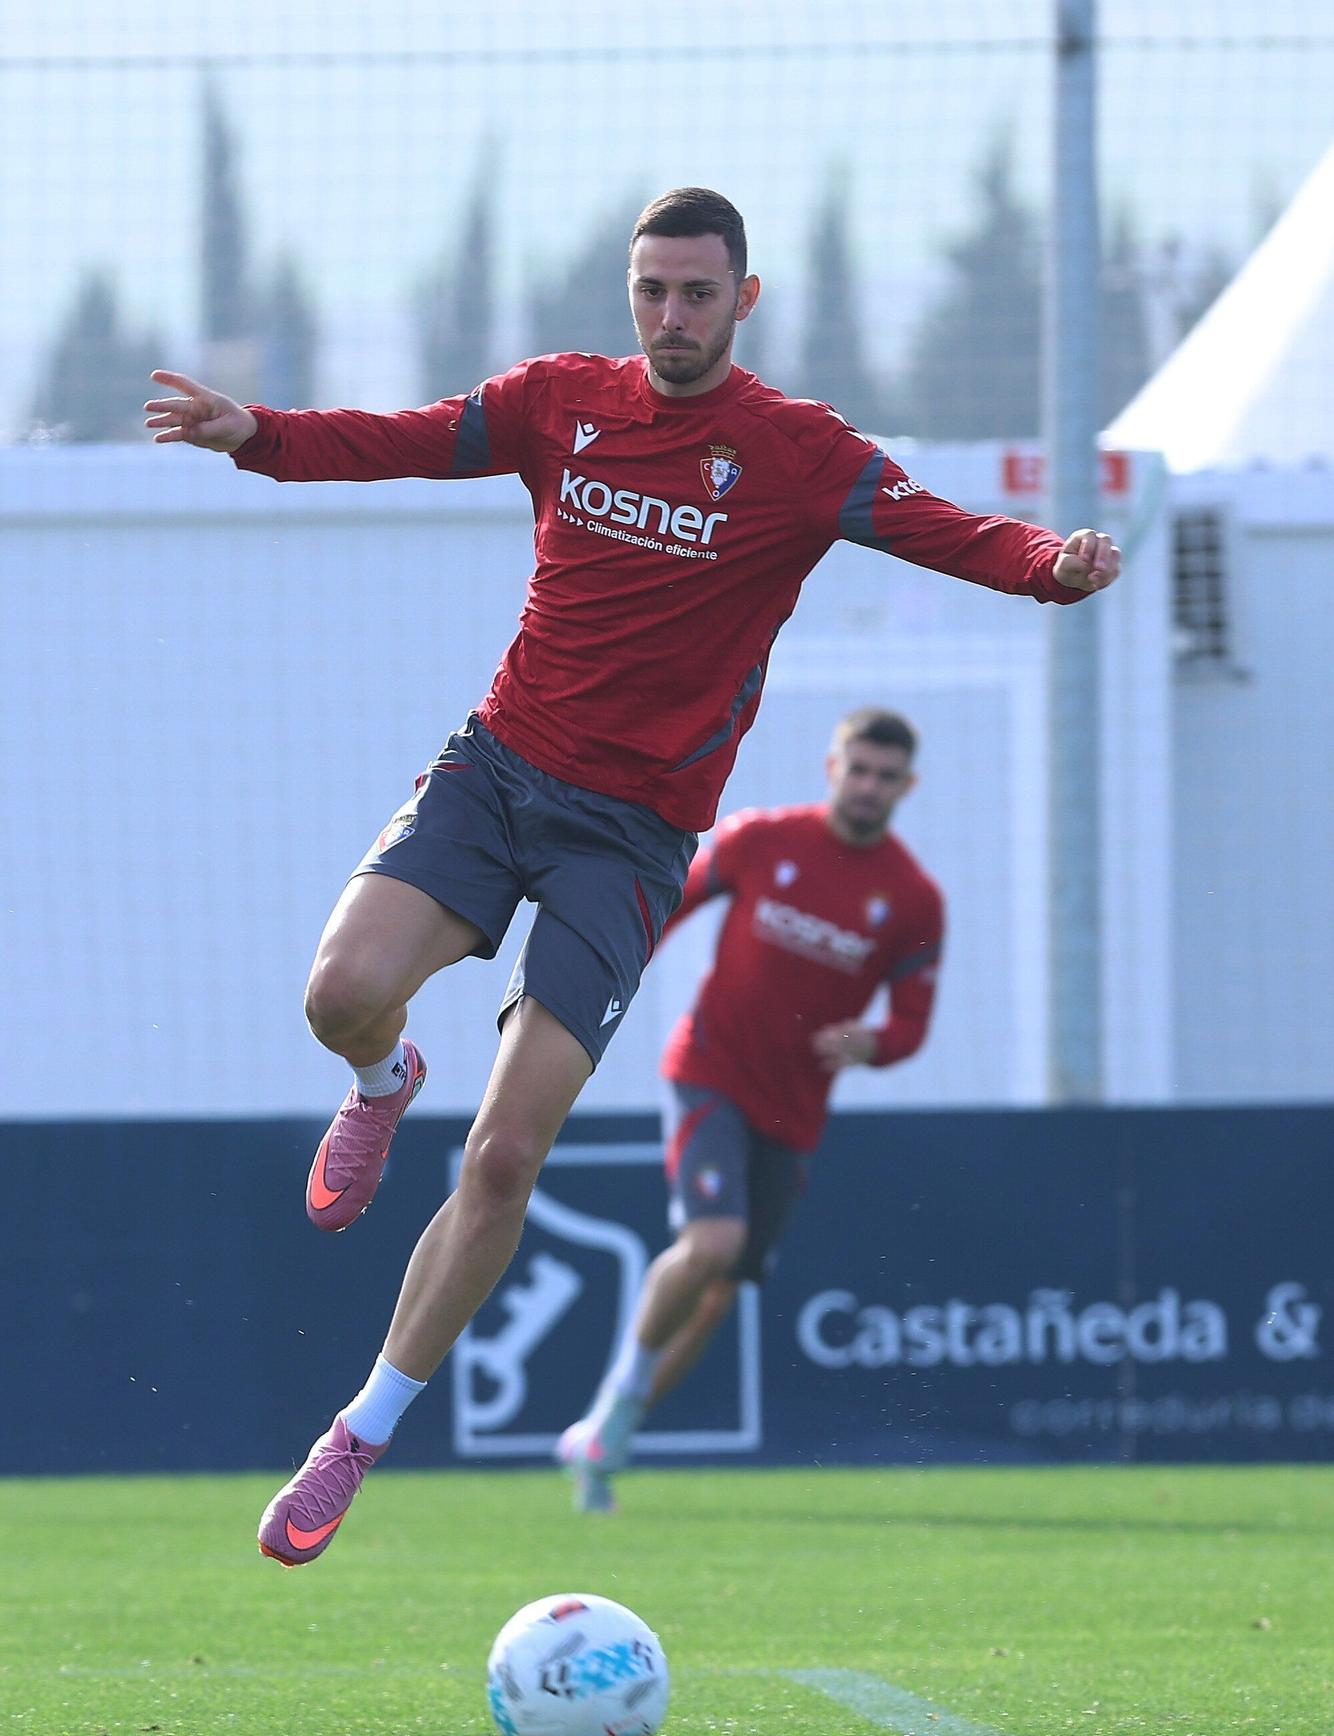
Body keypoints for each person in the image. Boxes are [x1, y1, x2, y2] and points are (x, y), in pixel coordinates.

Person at [144, 186, 1120, 1567]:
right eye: (650, 290)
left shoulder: (796, 452)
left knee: (505, 1151)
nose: (670, 317)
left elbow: (946, 529)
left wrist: (1047, 566)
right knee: (337, 994)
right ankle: (380, 1082)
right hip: (495, 771)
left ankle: (354, 1433)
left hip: (632, 838)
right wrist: (264, 438)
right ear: (631, 291)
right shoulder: (560, 403)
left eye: (696, 295)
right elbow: (414, 441)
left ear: (744, 300)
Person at [556, 706, 942, 1511]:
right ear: (833, 768)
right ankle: (615, 1403)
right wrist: (600, 976)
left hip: (793, 1110)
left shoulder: (912, 899)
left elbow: (910, 1024)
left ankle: (609, 1437)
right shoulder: (762, 839)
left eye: (885, 776)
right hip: (709, 1070)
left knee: (721, 1286)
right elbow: (663, 903)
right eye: (857, 769)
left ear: (907, 787)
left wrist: (871, 1043)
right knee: (712, 1242)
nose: (868, 787)